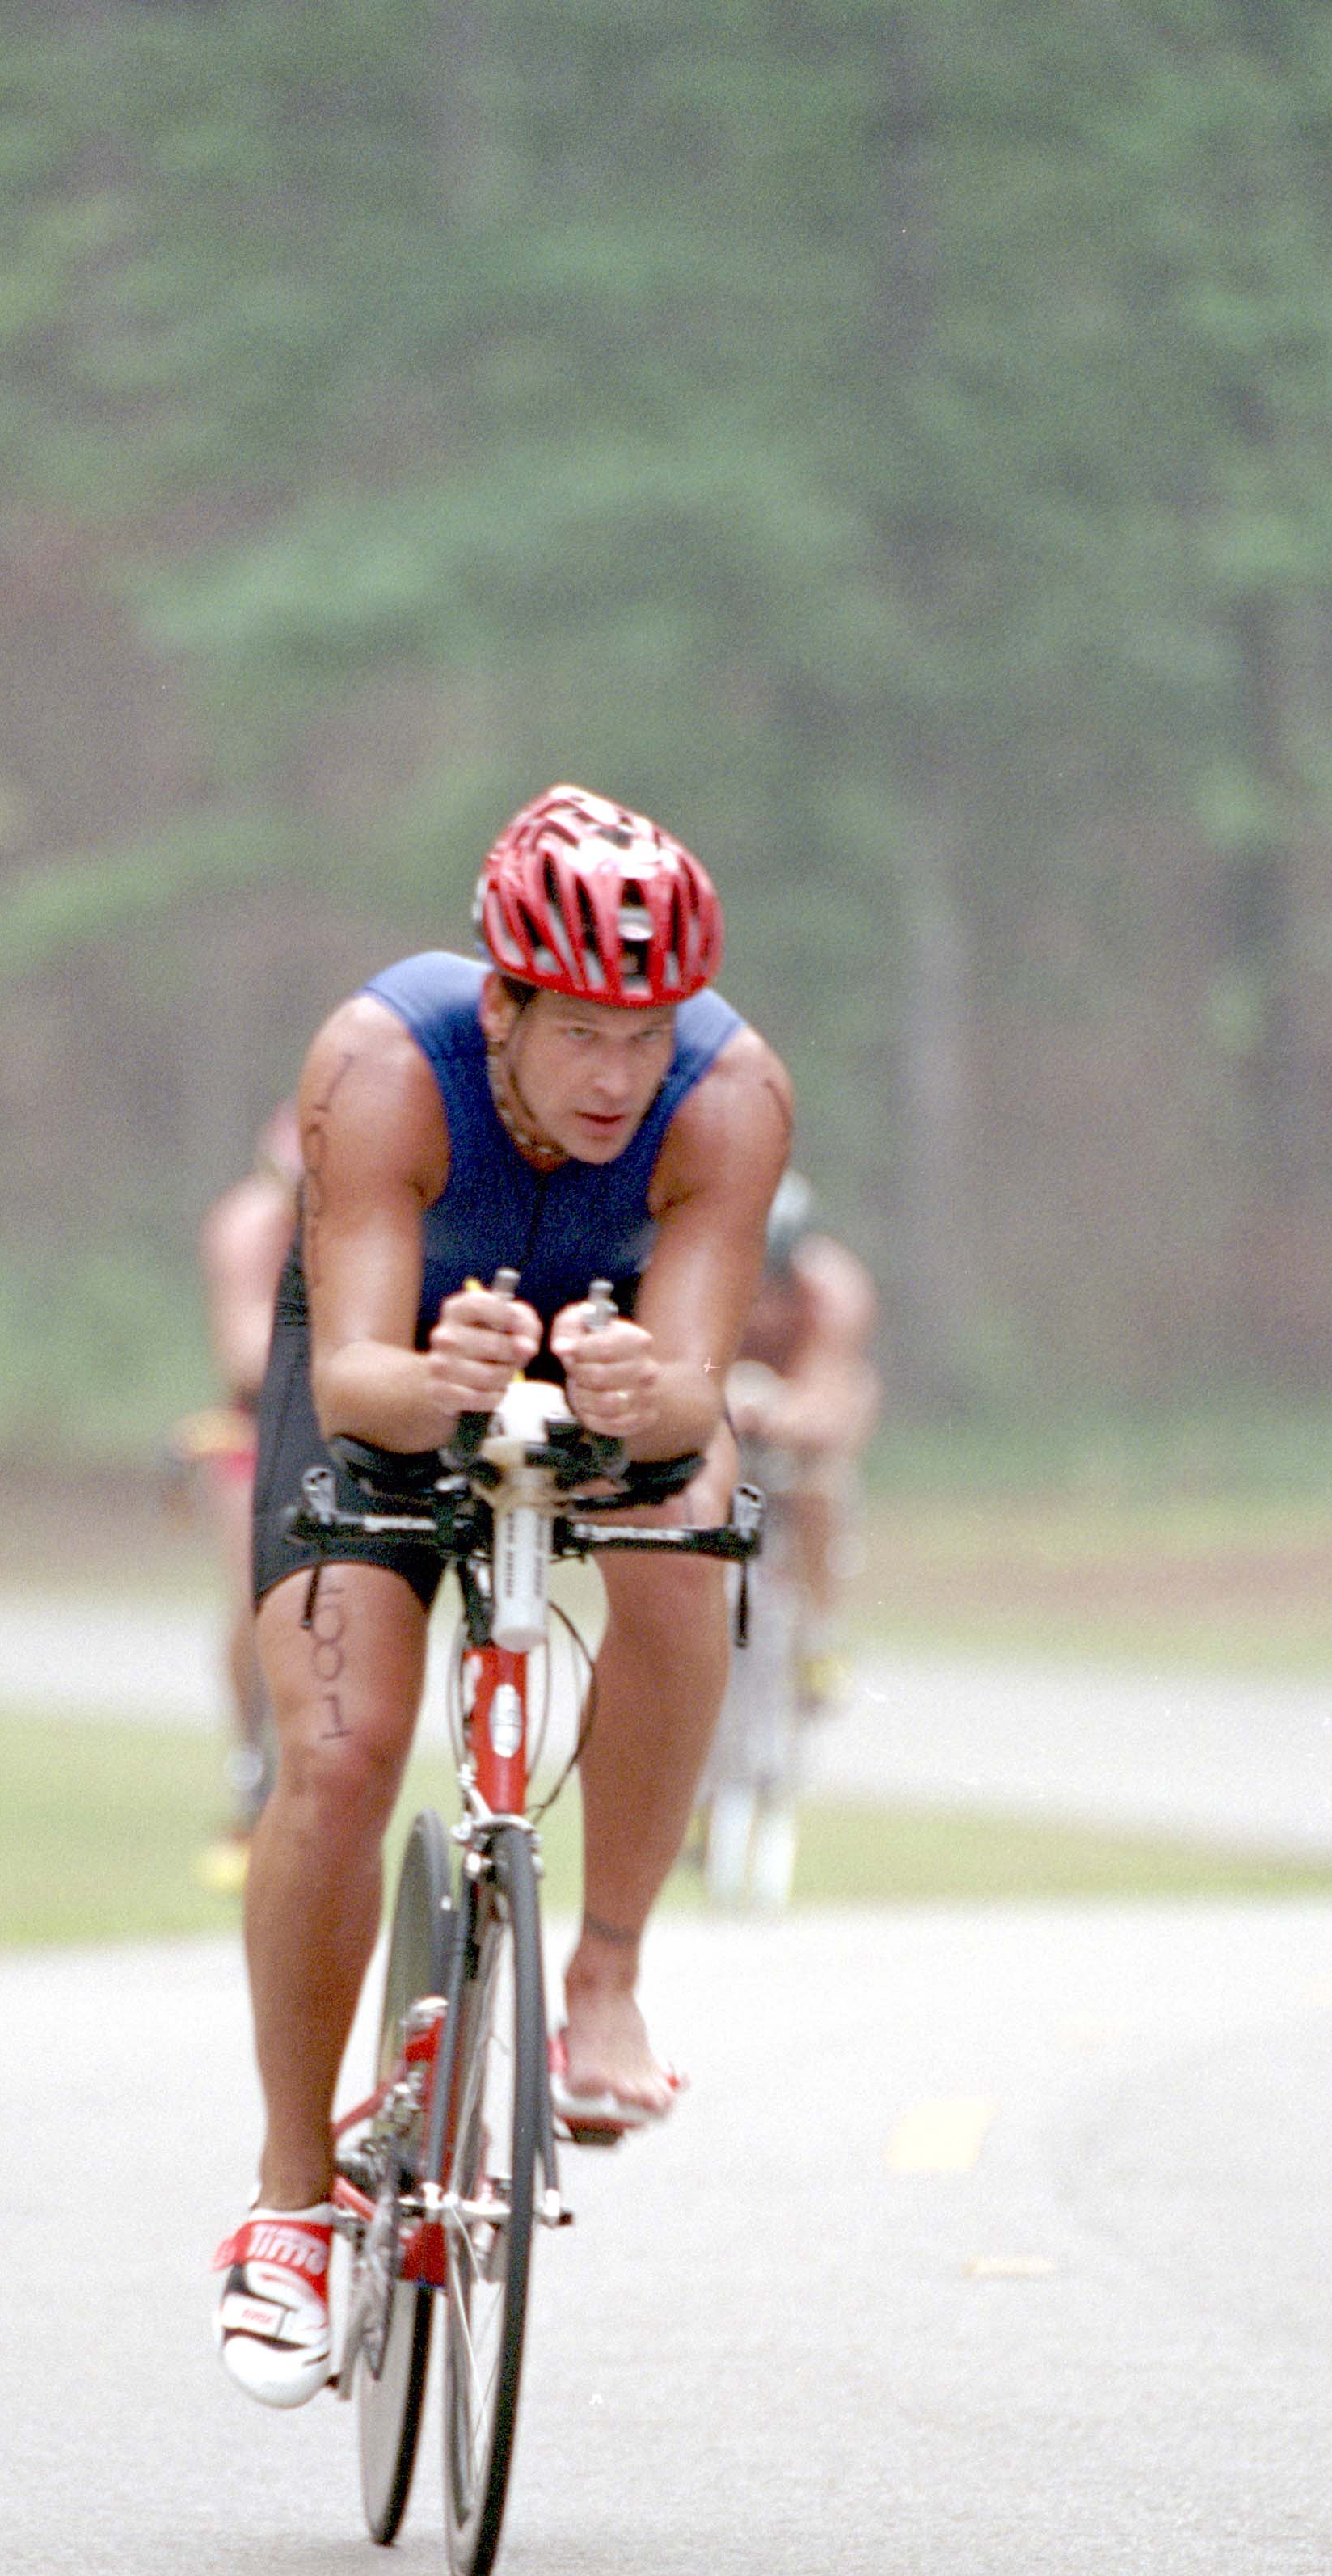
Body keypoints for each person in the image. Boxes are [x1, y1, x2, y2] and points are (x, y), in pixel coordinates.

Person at [213, 784, 792, 2404]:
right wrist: (440, 1376)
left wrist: (641, 1389)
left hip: (610, 1351)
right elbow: (351, 1380)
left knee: (687, 1549)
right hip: (396, 1351)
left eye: (645, 1031)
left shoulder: (729, 1098)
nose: (619, 1074)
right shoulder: (379, 1070)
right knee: (339, 1741)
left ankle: (598, 1975)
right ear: (503, 1006)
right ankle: (285, 2203)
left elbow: (689, 1403)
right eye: (580, 1034)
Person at [183, 1103, 302, 1874]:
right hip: (256, 1426)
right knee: (255, 1596)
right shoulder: (245, 1225)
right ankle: (250, 1760)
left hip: (344, 1417)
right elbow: (246, 1359)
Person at [723, 1171, 880, 1703]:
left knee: (820, 1481)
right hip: (723, 1412)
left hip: (805, 1406)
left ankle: (820, 1633)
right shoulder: (705, 1273)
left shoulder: (832, 1288)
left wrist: (779, 1410)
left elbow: (833, 1387)